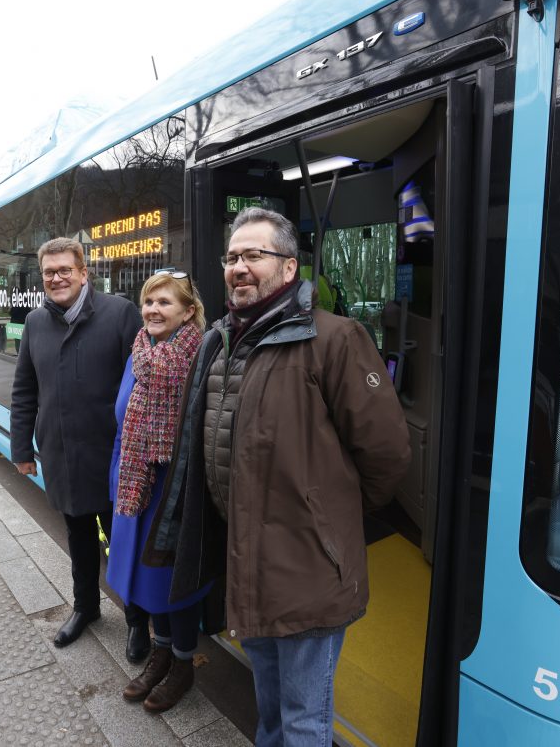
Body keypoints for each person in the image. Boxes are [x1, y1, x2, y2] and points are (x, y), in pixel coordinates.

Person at [145, 207, 411, 746]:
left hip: (308, 570)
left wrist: (327, 521)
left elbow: (386, 454)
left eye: (254, 255)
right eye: (232, 257)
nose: (239, 267)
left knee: (304, 719)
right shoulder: (220, 342)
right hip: (246, 563)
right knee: (267, 708)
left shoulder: (335, 340)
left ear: (289, 269)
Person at [11, 237, 151, 658]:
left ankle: (136, 620)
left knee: (123, 541)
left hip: (112, 459)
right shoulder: (36, 323)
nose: (56, 278)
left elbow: (144, 381)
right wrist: (22, 448)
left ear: (83, 272)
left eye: (64, 270)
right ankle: (86, 608)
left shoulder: (119, 313)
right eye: (49, 272)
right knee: (79, 539)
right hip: (63, 455)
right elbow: (24, 389)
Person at [105, 270, 208, 713]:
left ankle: (182, 664)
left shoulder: (200, 358)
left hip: (177, 488)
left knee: (173, 582)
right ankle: (160, 653)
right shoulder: (139, 353)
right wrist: (117, 481)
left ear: (188, 311)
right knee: (147, 583)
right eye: (148, 302)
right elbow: (121, 420)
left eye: (164, 302)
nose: (152, 310)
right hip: (136, 484)